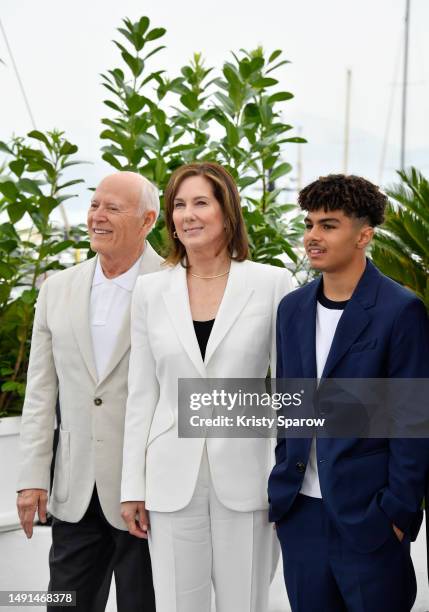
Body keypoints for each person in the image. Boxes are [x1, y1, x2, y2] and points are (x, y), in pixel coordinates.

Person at [120, 161, 293, 612]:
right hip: (169, 479)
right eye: (179, 205)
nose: (187, 214)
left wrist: (287, 478)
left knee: (246, 603)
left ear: (227, 212)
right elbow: (142, 394)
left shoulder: (272, 284)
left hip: (250, 477)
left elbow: (288, 389)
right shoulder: (149, 292)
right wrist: (131, 487)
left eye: (201, 202)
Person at [268, 174, 429, 612]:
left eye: (328, 225)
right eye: (309, 224)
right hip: (302, 514)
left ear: (364, 235)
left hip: (369, 519)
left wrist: (396, 513)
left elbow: (413, 421)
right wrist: (286, 493)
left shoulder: (401, 310)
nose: (313, 237)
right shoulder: (292, 309)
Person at [16, 172, 162, 612]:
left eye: (112, 208)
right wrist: (31, 478)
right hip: (75, 493)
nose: (97, 216)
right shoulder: (57, 288)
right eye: (95, 204)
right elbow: (41, 393)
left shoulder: (175, 283)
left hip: (148, 494)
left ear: (148, 220)